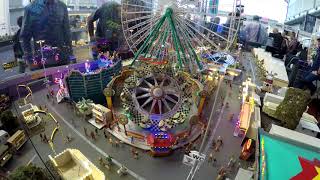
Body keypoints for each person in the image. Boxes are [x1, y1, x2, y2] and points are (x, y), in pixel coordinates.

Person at [20, 0, 74, 70]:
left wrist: (70, 53)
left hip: (62, 58)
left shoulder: (62, 6)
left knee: (65, 79)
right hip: (42, 61)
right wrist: (29, 60)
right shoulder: (31, 8)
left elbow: (66, 31)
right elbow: (25, 36)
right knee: (45, 80)